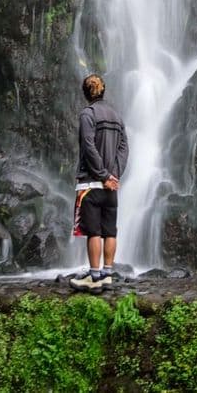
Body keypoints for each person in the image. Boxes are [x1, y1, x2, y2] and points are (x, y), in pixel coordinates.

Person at [70, 73, 129, 291]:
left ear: (86, 94)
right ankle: (108, 273)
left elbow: (88, 146)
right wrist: (114, 175)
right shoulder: (116, 116)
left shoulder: (88, 114)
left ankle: (94, 277)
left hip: (91, 184)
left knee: (94, 231)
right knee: (110, 230)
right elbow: (124, 148)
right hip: (111, 187)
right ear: (103, 91)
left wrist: (103, 175)